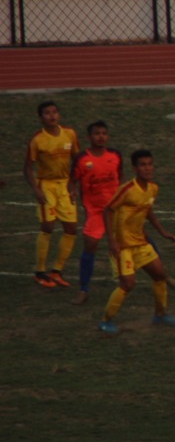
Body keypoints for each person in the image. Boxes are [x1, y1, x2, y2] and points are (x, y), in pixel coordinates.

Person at [99, 150, 175, 336]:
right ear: (135, 168)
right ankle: (106, 320)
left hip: (141, 242)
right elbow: (108, 211)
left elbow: (148, 211)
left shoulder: (153, 188)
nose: (147, 168)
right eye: (143, 165)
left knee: (159, 276)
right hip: (123, 246)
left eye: (150, 164)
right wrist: (111, 241)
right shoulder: (127, 189)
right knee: (128, 284)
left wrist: (163, 232)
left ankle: (160, 315)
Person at [24, 100, 80, 289]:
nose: (52, 116)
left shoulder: (70, 134)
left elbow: (77, 162)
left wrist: (73, 185)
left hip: (64, 185)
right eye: (47, 113)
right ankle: (40, 271)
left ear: (59, 115)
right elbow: (27, 168)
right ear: (41, 117)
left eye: (55, 112)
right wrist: (36, 189)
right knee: (47, 226)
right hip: (46, 185)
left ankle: (57, 271)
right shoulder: (37, 139)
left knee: (71, 228)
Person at [69, 120, 124, 305]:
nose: (101, 136)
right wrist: (72, 190)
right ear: (89, 137)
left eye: (104, 133)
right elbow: (72, 180)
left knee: (141, 237)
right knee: (90, 245)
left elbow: (121, 177)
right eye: (97, 133)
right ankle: (83, 290)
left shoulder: (115, 155)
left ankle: (162, 276)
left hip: (116, 209)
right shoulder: (82, 159)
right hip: (96, 212)